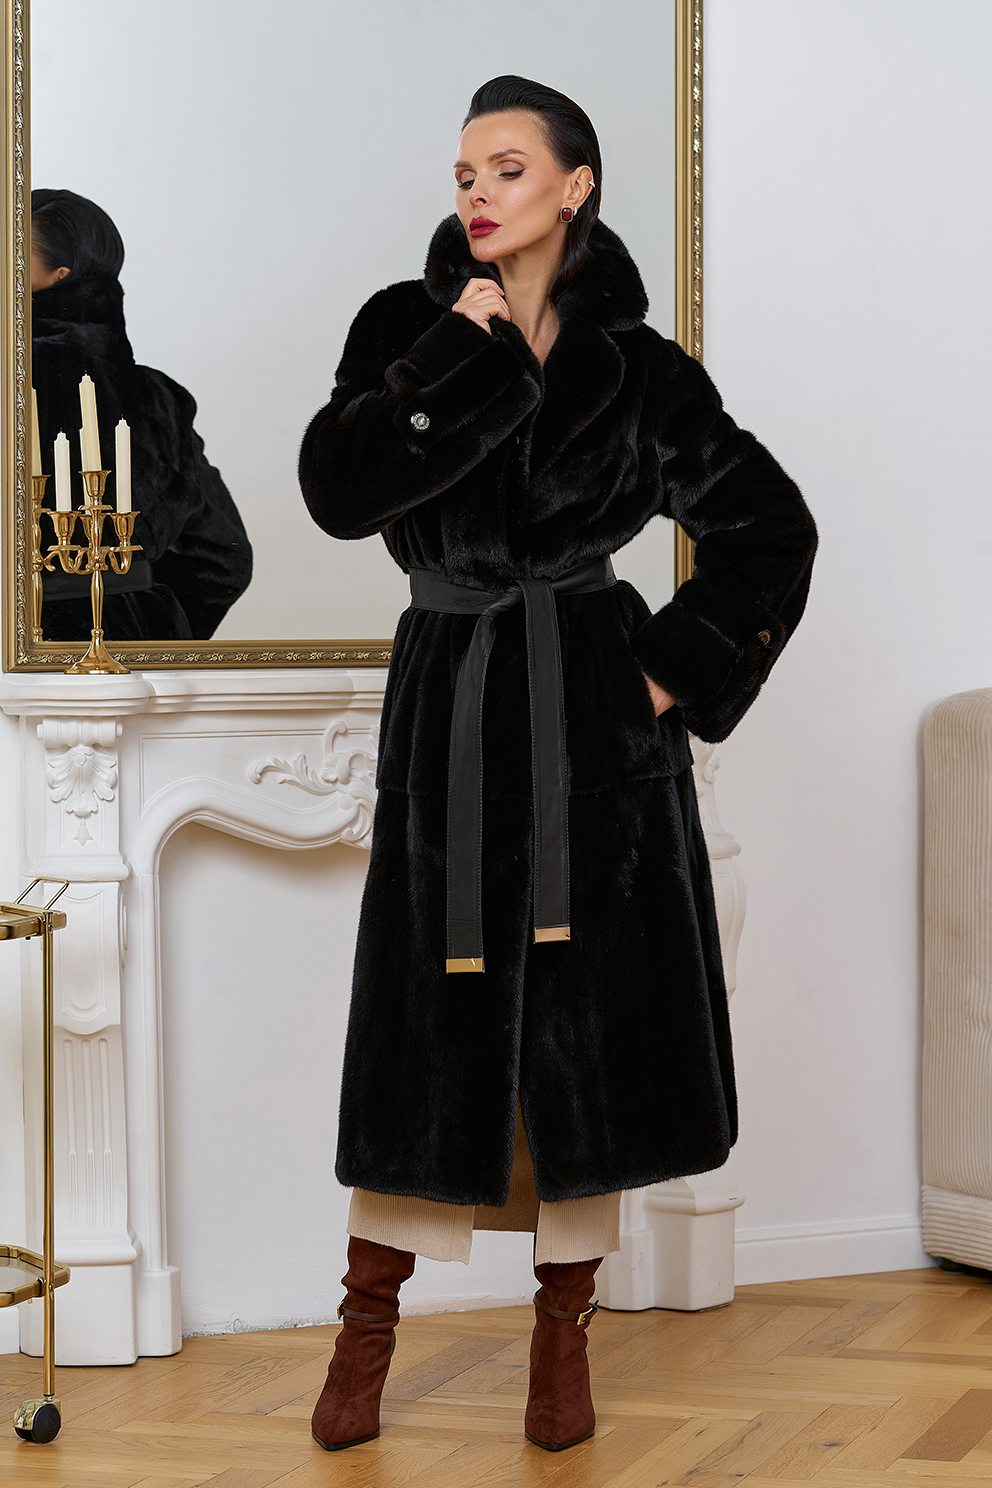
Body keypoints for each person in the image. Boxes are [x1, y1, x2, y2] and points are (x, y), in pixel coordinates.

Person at [298, 75, 817, 1454]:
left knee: (586, 1035)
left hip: (590, 717)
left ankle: (562, 1331)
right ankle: (365, 1327)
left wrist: (669, 670)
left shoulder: (641, 368)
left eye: (508, 167)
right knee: (424, 1030)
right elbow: (339, 494)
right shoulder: (405, 329)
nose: (478, 190)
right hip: (452, 698)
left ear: (575, 185)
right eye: (464, 171)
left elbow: (768, 527)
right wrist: (452, 362)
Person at [31, 188, 253, 640]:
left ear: (58, 276)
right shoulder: (156, 396)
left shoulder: (16, 382)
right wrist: (150, 626)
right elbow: (222, 560)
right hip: (131, 652)